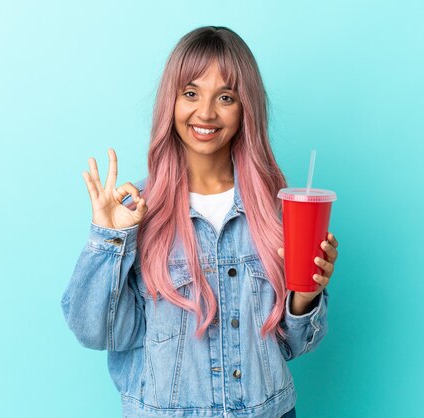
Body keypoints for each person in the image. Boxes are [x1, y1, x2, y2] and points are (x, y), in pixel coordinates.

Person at [61, 26, 339, 418]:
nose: (205, 112)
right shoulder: (137, 210)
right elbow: (96, 332)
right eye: (190, 93)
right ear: (170, 101)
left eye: (225, 97)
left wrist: (306, 294)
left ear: (246, 109)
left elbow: (294, 345)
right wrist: (110, 238)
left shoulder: (275, 211)